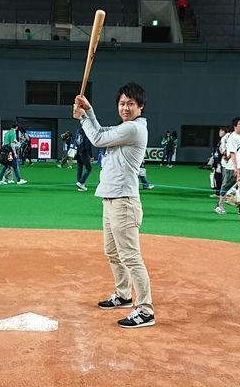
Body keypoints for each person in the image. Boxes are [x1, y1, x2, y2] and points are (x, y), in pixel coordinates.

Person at [73, 82, 155, 329]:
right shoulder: (124, 128)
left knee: (130, 256)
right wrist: (87, 111)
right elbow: (100, 130)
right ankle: (123, 294)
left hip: (124, 202)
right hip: (110, 199)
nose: (125, 107)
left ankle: (145, 310)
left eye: (131, 103)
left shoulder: (134, 129)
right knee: (112, 251)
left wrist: (83, 118)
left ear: (140, 106)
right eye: (122, 103)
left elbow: (97, 138)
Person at [215, 117, 240, 216]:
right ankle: (220, 205)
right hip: (232, 166)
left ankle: (233, 201)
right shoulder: (231, 137)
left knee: (238, 187)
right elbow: (232, 153)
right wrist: (236, 167)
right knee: (227, 186)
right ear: (235, 126)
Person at [74, 127, 92, 192]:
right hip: (84, 152)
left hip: (78, 152)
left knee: (79, 168)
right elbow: (87, 144)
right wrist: (91, 155)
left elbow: (75, 141)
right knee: (89, 168)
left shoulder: (78, 131)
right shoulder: (87, 132)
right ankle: (81, 182)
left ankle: (80, 185)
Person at [210, 127, 227, 198]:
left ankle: (222, 194)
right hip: (217, 163)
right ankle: (217, 193)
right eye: (219, 131)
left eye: (222, 131)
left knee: (221, 179)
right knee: (216, 178)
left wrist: (220, 163)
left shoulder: (226, 141)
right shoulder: (219, 141)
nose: (220, 132)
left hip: (222, 163)